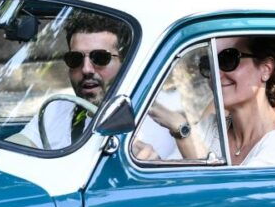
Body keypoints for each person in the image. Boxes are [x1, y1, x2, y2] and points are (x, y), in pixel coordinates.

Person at [14, 12, 176, 156]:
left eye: (100, 58)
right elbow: (18, 147)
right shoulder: (57, 108)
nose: (86, 69)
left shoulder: (167, 114)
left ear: (125, 63)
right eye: (75, 59)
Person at [144, 36, 275, 167]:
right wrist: (153, 162)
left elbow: (229, 205)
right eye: (208, 64)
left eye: (228, 60)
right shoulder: (210, 128)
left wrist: (182, 130)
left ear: (265, 69)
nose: (215, 75)